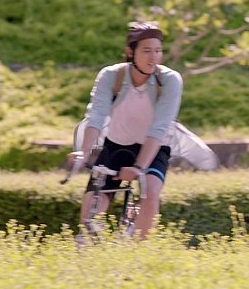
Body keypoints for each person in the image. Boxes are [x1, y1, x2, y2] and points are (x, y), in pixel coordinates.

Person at [68, 21, 182, 239]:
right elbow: (96, 115)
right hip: (116, 144)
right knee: (93, 202)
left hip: (155, 147)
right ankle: (87, 248)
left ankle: (139, 251)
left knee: (150, 193)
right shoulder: (111, 75)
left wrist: (139, 167)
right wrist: (84, 151)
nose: (154, 57)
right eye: (146, 51)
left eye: (158, 51)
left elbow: (160, 126)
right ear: (130, 52)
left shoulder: (169, 80)